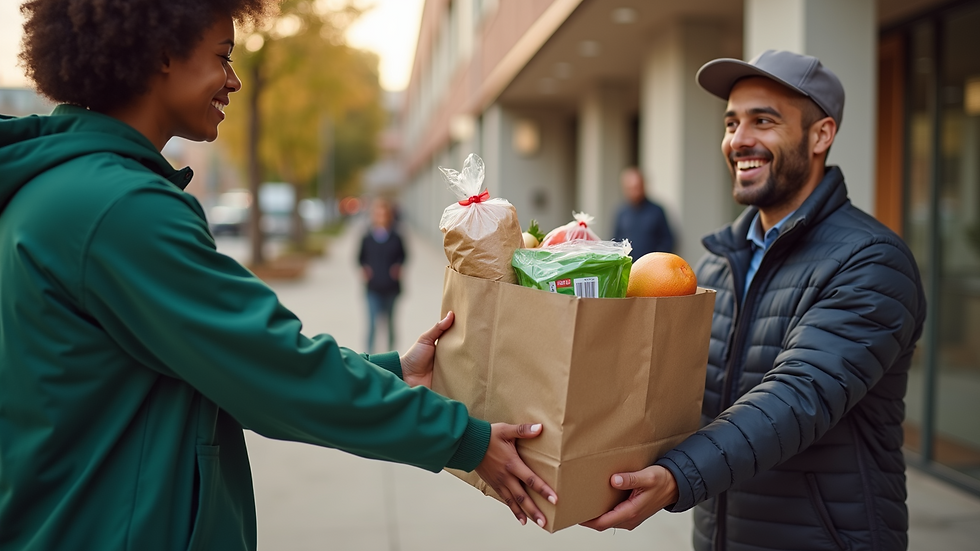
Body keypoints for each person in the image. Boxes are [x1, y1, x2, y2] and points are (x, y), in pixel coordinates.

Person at [0, 2, 557, 550]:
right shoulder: (119, 209)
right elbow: (273, 366)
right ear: (161, 52)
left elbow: (225, 364)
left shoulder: (58, 190)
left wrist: (393, 371)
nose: (234, 81)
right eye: (223, 57)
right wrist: (462, 437)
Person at [584, 50, 926, 551]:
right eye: (731, 122)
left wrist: (677, 476)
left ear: (820, 135)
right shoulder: (721, 261)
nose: (738, 139)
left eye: (763, 121)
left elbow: (799, 396)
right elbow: (681, 394)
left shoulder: (871, 261)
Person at [359, 197, 406, 353]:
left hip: (391, 287)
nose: (381, 217)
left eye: (383, 213)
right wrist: (364, 269)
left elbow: (404, 255)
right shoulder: (367, 237)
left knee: (390, 324)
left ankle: (391, 355)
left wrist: (398, 267)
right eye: (377, 214)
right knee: (372, 324)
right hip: (373, 288)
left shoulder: (396, 236)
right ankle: (368, 357)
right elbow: (360, 258)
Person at [612, 167, 674, 258]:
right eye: (631, 188)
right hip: (628, 267)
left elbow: (668, 240)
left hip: (651, 267)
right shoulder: (621, 213)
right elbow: (615, 241)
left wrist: (657, 260)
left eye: (637, 187)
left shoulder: (657, 211)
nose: (635, 192)